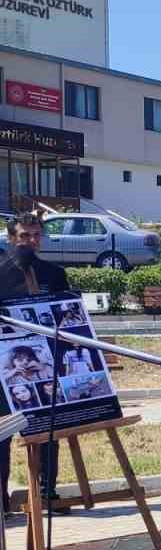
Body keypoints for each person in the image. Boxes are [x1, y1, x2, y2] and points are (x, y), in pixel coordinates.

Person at [0, 213, 68, 512]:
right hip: (5, 368)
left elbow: (68, 315)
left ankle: (45, 492)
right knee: (2, 433)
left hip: (44, 365)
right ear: (11, 238)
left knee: (47, 430)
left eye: (36, 235)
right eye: (24, 236)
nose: (31, 241)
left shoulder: (54, 273)